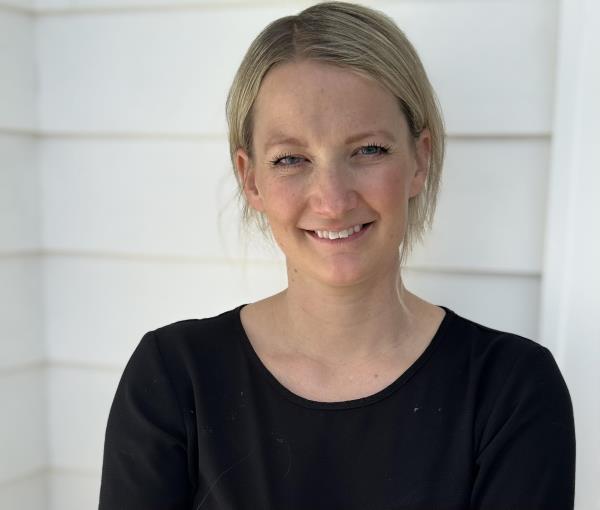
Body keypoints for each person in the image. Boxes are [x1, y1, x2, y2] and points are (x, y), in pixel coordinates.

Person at [98, 2, 576, 509]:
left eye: (368, 150)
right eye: (291, 159)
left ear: (420, 160)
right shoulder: (175, 379)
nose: (332, 199)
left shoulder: (511, 389)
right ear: (250, 178)